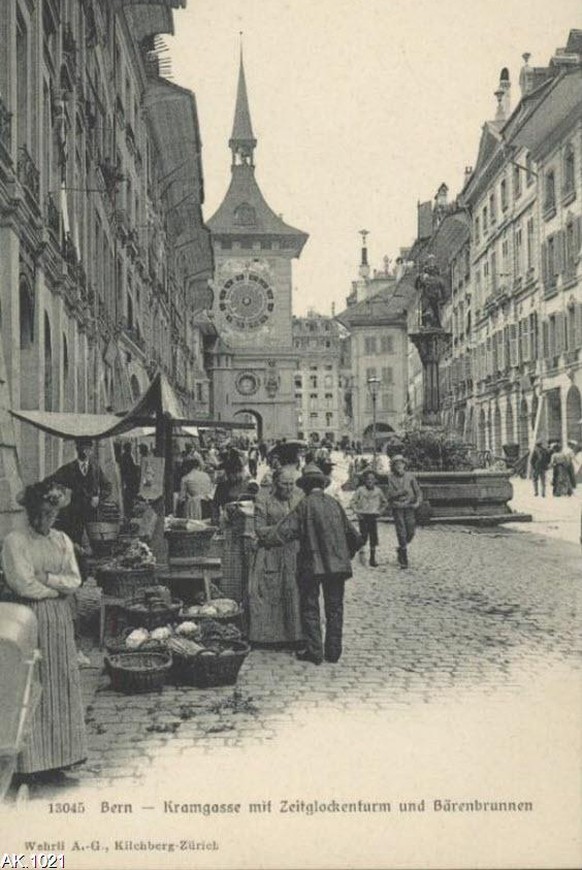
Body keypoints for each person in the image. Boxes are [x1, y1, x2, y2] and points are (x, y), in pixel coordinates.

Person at [1, 481, 87, 785]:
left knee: (59, 683)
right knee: (31, 684)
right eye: (38, 515)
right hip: (28, 617)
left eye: (50, 515)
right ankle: (30, 763)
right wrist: (53, 589)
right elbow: (22, 582)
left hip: (59, 621)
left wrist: (48, 578)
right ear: (29, 513)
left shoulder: (62, 540)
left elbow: (74, 579)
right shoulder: (15, 541)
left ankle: (61, 756)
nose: (44, 521)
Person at [262, 463, 362, 665]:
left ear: (305, 486)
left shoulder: (304, 505)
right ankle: (333, 652)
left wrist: (264, 541)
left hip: (312, 565)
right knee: (335, 608)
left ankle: (314, 651)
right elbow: (355, 536)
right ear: (321, 485)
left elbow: (285, 532)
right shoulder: (334, 504)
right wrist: (345, 554)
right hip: (338, 566)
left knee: (309, 606)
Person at [249, 468, 303, 646]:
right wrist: (287, 530)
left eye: (291, 484)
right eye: (284, 484)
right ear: (275, 484)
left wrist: (280, 531)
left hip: (294, 552)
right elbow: (259, 529)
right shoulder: (263, 500)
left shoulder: (298, 498)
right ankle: (270, 637)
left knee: (292, 592)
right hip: (271, 552)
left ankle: (294, 636)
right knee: (270, 593)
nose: (288, 488)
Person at [47, 438, 112, 548]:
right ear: (78, 449)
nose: (87, 451)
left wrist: (98, 498)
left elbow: (107, 486)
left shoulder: (95, 468)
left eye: (89, 449)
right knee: (75, 545)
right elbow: (50, 481)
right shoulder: (68, 469)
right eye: (84, 448)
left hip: (93, 513)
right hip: (74, 514)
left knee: (97, 546)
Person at [384, 455, 422, 569]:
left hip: (409, 506)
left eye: (401, 464)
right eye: (396, 464)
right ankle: (404, 557)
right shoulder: (391, 478)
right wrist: (401, 492)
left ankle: (401, 549)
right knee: (401, 531)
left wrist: (417, 502)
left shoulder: (410, 477)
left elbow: (418, 492)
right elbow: (389, 495)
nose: (399, 466)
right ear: (393, 467)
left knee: (411, 531)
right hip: (398, 507)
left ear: (404, 465)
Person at [350, 470, 388, 567]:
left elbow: (384, 502)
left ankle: (372, 558)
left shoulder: (378, 491)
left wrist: (380, 511)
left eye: (372, 479)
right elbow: (353, 502)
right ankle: (361, 553)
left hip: (373, 515)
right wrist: (356, 511)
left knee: (373, 536)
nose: (370, 481)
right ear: (364, 480)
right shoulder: (360, 490)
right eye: (368, 479)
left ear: (375, 480)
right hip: (363, 515)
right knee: (364, 535)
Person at [119, 442, 140, 517]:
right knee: (129, 495)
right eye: (130, 448)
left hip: (128, 479)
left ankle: (129, 510)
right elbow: (129, 468)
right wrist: (137, 468)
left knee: (129, 495)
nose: (131, 449)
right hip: (129, 479)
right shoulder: (127, 456)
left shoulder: (126, 456)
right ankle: (129, 511)